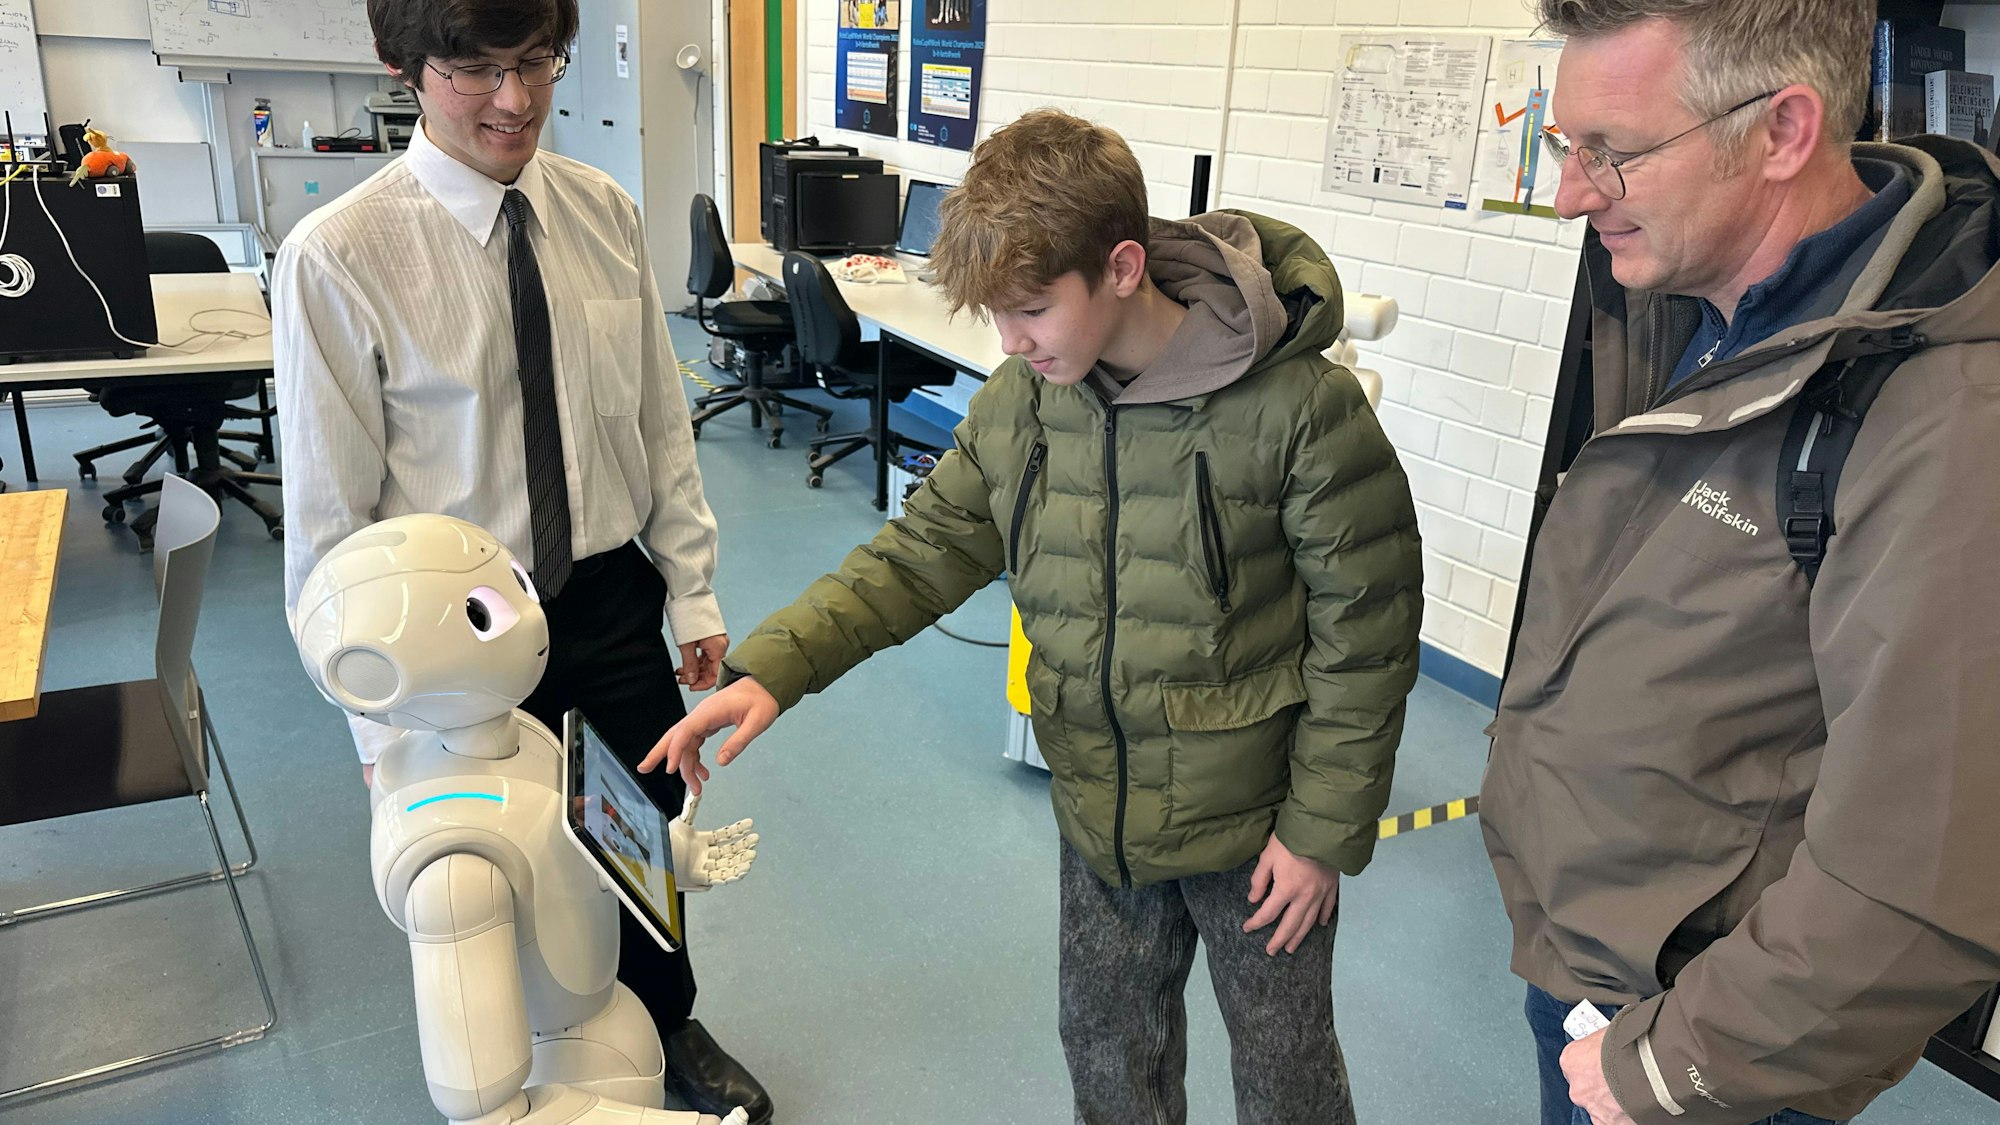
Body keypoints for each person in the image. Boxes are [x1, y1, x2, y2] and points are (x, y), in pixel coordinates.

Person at [640, 108, 1424, 1124]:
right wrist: (769, 672)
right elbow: (918, 555)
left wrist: (1318, 834)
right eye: (995, 316)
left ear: (1124, 266)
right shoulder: (1024, 403)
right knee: (1106, 1052)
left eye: (1032, 311)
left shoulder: (1300, 412)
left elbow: (1365, 638)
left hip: (1256, 821)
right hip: (1096, 800)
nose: (1009, 342)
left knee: (1284, 1074)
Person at [1481, 3, 2000, 1124]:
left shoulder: (1947, 418)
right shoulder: (1696, 305)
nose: (1571, 193)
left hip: (1703, 1038)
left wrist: (1676, 1065)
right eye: (1562, 145)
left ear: (1778, 133)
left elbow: (1925, 876)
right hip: (1594, 965)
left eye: (1607, 153)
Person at [272, 1, 770, 1120]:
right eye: (477, 70)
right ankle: (518, 1076)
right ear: (401, 66)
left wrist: (690, 585)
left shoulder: (600, 210)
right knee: (483, 874)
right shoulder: (340, 256)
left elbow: (655, 422)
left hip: (601, 597)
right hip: (455, 640)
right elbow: (327, 518)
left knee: (631, 831)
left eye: (537, 60)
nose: (517, 99)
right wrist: (373, 719)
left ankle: (666, 1023)